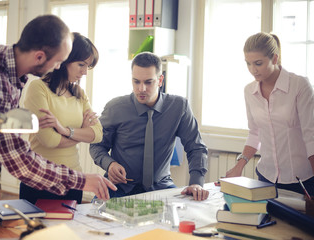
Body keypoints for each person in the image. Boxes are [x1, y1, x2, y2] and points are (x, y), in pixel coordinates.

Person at [0, 15, 116, 218]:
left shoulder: (1, 56)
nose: (58, 67)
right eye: (58, 62)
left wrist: (33, 124)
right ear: (39, 57)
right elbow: (20, 161)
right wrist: (82, 180)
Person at [90, 52, 209, 200]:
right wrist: (110, 164)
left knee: (185, 215)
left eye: (148, 82)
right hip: (118, 187)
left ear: (160, 80)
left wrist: (196, 183)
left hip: (161, 186)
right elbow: (96, 146)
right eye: (136, 82)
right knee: (95, 219)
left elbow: (196, 147)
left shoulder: (179, 107)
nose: (141, 89)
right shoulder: (115, 108)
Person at [226, 32, 314, 196]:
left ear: (274, 58)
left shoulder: (299, 85)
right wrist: (238, 167)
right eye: (248, 64)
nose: (253, 70)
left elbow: (311, 136)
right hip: (266, 177)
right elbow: (254, 133)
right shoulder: (249, 91)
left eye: (258, 63)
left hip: (302, 180)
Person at [19, 32, 102, 204]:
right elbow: (48, 139)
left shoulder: (79, 93)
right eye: (81, 64)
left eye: (88, 66)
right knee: (38, 231)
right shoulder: (38, 88)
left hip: (74, 180)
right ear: (65, 60)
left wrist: (64, 130)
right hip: (41, 179)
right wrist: (80, 135)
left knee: (70, 231)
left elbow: (98, 134)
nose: (85, 72)